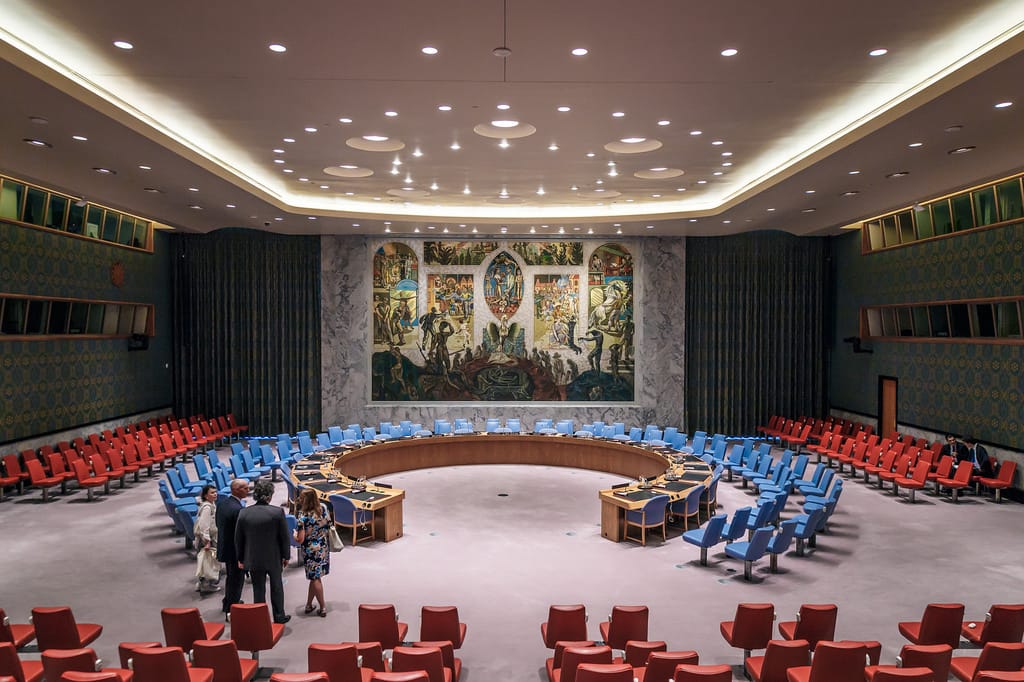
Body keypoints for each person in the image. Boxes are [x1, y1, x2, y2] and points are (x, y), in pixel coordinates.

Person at [235, 479, 292, 624]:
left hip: (253, 558)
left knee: (258, 589)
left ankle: (260, 618)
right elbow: (284, 537)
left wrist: (241, 559)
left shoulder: (243, 513)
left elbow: (239, 539)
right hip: (273, 557)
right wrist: (286, 555)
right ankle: (279, 616)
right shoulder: (277, 512)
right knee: (277, 588)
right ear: (270, 495)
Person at [293, 488, 331, 617]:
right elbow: (328, 525)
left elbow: (300, 539)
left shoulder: (302, 516)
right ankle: (309, 604)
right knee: (315, 577)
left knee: (315, 578)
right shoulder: (323, 510)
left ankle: (323, 607)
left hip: (310, 550)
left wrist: (294, 535)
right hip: (323, 547)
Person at [215, 478, 249, 617]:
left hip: (225, 546)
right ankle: (232, 608)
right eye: (245, 488)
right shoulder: (238, 510)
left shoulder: (223, 504)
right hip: (235, 551)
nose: (248, 490)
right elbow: (240, 534)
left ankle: (228, 602)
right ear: (236, 490)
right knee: (237, 580)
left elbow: (218, 524)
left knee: (231, 578)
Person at [194, 484, 220, 593]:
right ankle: (206, 585)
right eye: (212, 493)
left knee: (206, 561)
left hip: (211, 537)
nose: (215, 494)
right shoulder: (207, 508)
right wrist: (207, 541)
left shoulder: (211, 504)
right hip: (207, 540)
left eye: (215, 492)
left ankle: (201, 584)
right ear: (206, 495)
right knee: (208, 562)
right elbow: (204, 525)